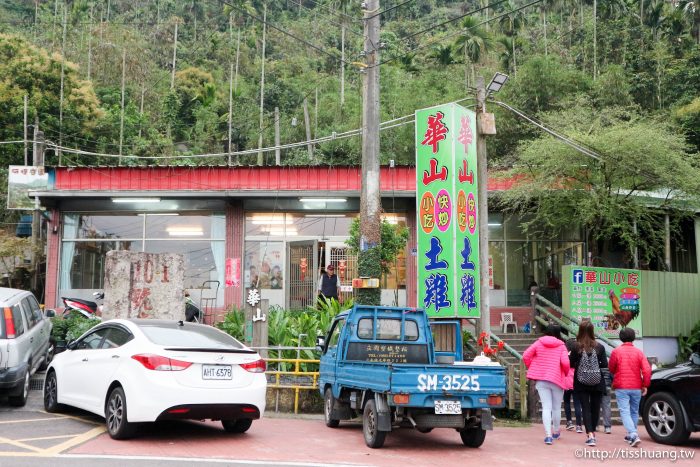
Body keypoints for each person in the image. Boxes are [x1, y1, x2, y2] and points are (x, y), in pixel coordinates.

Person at [523, 324, 570, 445]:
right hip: (557, 379)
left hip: (542, 379)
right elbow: (565, 362)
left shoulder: (539, 343)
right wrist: (564, 372)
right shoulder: (561, 345)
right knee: (556, 407)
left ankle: (548, 436)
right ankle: (556, 432)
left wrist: (533, 367)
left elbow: (525, 356)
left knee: (546, 407)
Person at [608, 327, 651, 448]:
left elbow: (611, 368)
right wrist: (645, 385)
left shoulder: (616, 352)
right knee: (633, 411)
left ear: (621, 338)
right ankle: (632, 433)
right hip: (636, 386)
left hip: (621, 386)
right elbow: (647, 370)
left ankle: (632, 434)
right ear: (633, 337)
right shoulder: (639, 352)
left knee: (624, 411)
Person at [570, 320, 608, 447]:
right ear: (592, 331)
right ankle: (593, 432)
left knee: (585, 408)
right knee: (595, 408)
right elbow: (605, 365)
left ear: (580, 331)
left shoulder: (576, 347)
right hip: (597, 381)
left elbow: (571, 364)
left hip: (581, 381)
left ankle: (590, 435)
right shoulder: (600, 347)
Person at [564, 337, 583, 433]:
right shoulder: (579, 354)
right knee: (577, 403)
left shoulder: (565, 355)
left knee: (567, 402)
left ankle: (569, 422)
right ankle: (579, 425)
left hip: (566, 382)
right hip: (576, 382)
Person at [601, 367, 613, 434]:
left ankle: (595, 425)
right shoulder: (609, 364)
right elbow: (612, 376)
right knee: (607, 407)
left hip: (597, 387)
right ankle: (607, 427)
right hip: (607, 387)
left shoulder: (595, 360)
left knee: (595, 406)